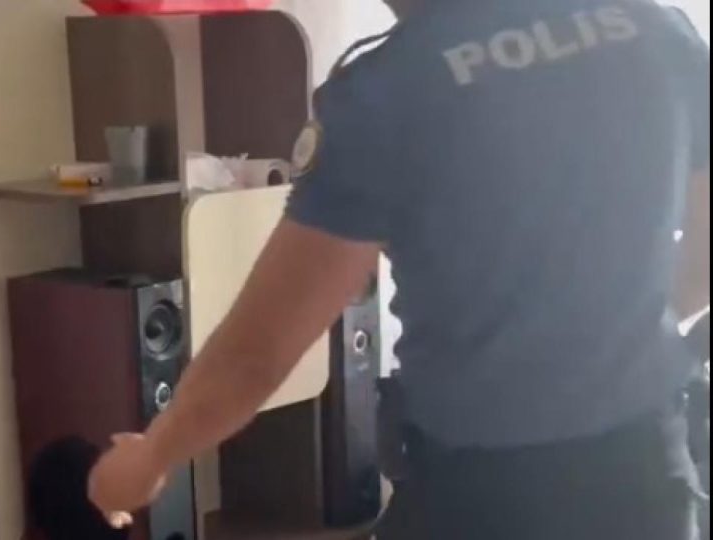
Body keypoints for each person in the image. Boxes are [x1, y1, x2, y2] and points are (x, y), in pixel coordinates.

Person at [88, 0, 711, 537]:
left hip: (484, 498)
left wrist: (149, 458)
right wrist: (628, 333)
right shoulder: (653, 29)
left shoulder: (390, 90)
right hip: (644, 476)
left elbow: (257, 354)